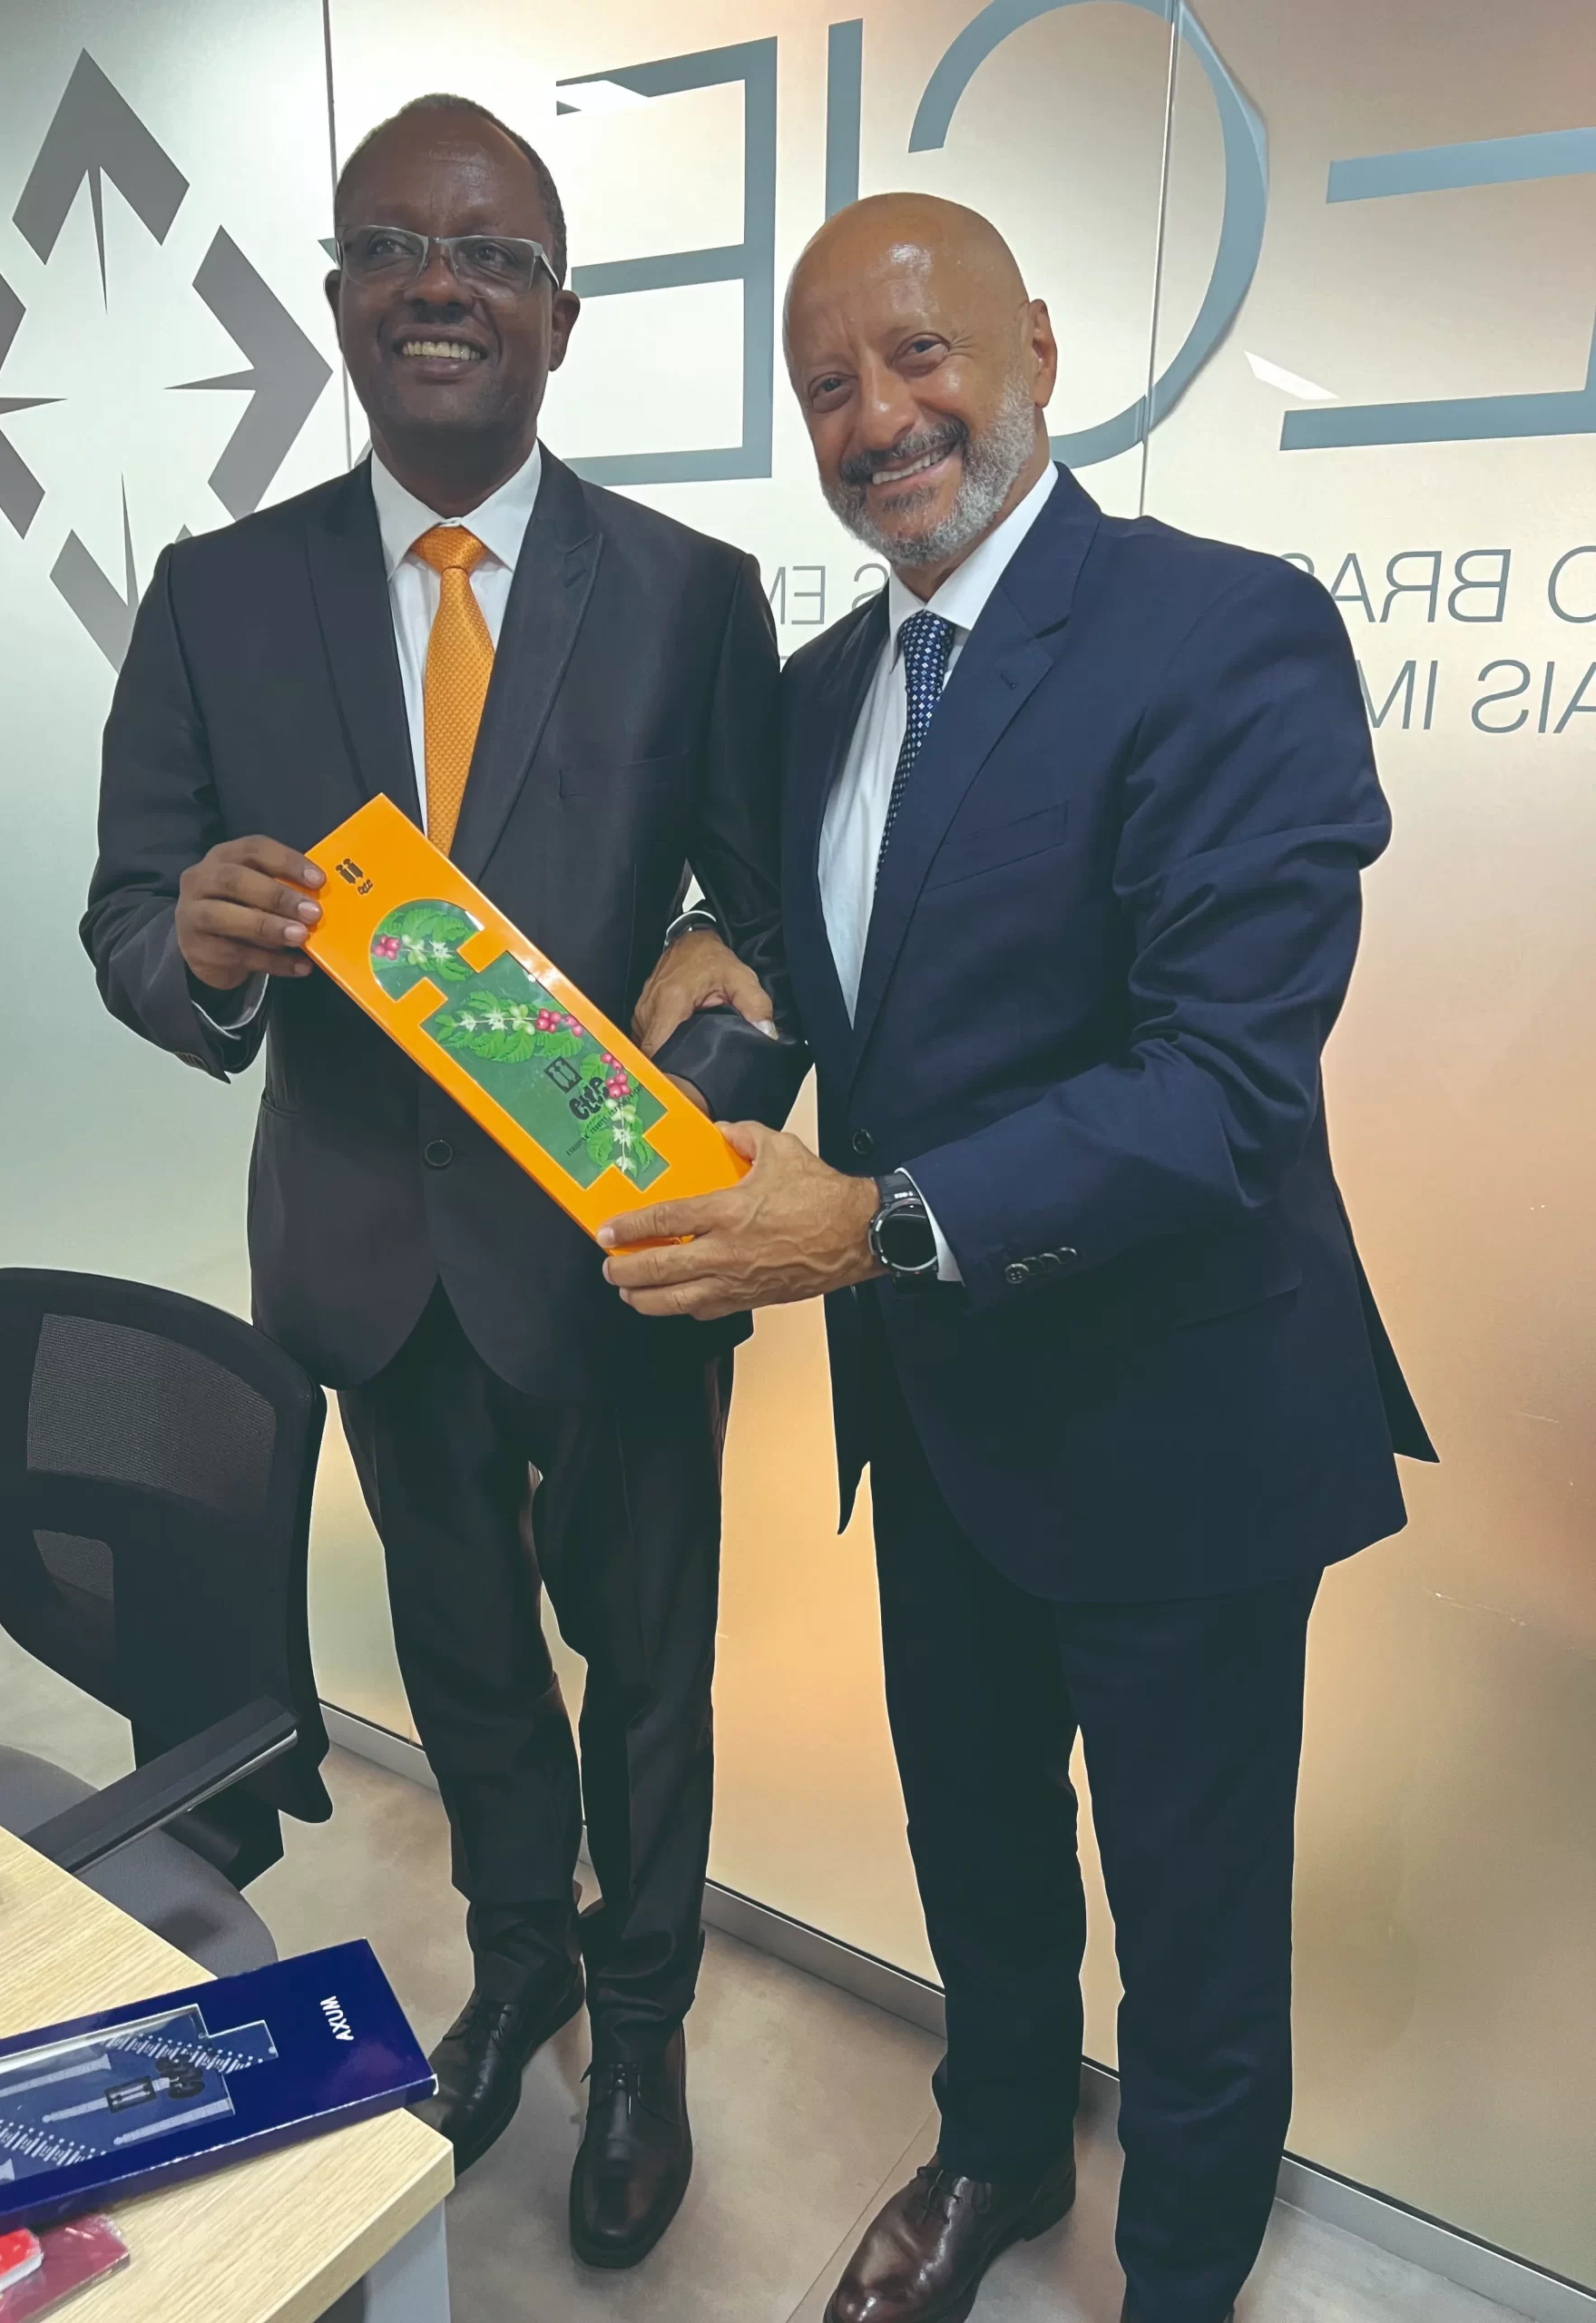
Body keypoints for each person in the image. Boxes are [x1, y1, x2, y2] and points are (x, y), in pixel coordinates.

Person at [613, 192, 1434, 2323]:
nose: (878, 417)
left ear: (1040, 351)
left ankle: (1179, 2269)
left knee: (1191, 1911)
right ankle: (995, 2145)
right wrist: (721, 957)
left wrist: (868, 1219)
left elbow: (1223, 1083)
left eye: (920, 355)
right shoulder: (817, 693)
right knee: (976, 1842)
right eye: (828, 386)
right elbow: (843, 956)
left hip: (1178, 1416)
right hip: (941, 1412)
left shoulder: (1225, 631)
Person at [83, 93, 803, 2269]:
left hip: (621, 1255)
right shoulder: (217, 597)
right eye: (392, 246)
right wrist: (199, 947)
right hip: (370, 1259)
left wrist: (702, 1052)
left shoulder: (691, 596)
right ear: (335, 300)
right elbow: (130, 916)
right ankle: (521, 1964)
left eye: (490, 254)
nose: (438, 285)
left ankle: (645, 2031)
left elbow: (769, 922)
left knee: (649, 1678)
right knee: (466, 1656)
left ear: (559, 316)